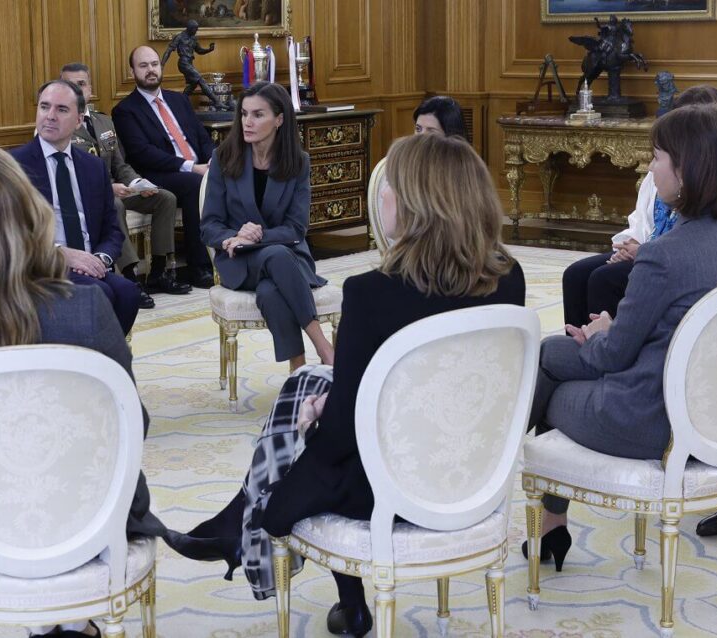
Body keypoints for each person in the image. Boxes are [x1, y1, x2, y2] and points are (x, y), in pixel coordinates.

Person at [171, 133, 525, 637]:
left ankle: (259, 535)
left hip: (384, 486)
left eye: (390, 187)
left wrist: (323, 413)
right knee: (312, 380)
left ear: (414, 203)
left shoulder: (371, 293)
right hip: (471, 472)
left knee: (306, 430)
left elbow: (342, 437)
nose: (380, 197)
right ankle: (241, 523)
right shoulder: (510, 278)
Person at [0, 146, 170, 638]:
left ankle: (53, 624)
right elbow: (135, 425)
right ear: (34, 222)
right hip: (94, 520)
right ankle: (73, 622)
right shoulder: (85, 310)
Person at [525, 104, 717, 569]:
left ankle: (528, 513)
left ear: (687, 169)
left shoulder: (663, 256)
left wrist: (603, 333)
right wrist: (612, 332)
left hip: (647, 422)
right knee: (552, 351)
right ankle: (548, 527)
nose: (651, 167)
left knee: (547, 364)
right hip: (716, 419)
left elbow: (612, 358)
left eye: (657, 156)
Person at [562, 85, 717, 329]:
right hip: (647, 249)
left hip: (667, 259)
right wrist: (629, 246)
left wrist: (642, 252)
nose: (652, 166)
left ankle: (594, 346)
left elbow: (689, 245)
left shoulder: (708, 180)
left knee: (603, 280)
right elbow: (641, 220)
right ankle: (581, 343)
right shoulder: (661, 176)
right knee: (576, 274)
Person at [200, 82, 333, 369]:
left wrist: (254, 237)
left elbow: (296, 228)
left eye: (258, 115)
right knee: (276, 255)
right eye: (244, 114)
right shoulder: (223, 158)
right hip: (239, 262)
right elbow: (209, 225)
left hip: (288, 258)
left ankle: (297, 371)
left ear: (279, 119)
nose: (248, 122)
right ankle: (324, 347)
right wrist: (233, 237)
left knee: (271, 292)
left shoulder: (298, 163)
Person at [11, 79, 140, 335]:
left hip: (89, 264)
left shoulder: (92, 166)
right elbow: (11, 234)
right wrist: (64, 255)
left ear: (79, 120)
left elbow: (112, 230)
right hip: (42, 266)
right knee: (97, 293)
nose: (50, 116)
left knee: (128, 292)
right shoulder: (15, 166)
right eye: (44, 107)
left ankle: (104, 361)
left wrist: (99, 260)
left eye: (61, 109)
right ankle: (88, 364)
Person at [60, 62, 191, 308]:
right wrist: (107, 189)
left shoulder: (104, 122)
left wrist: (139, 182)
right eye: (69, 85)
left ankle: (160, 271)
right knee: (116, 205)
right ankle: (131, 276)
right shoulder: (61, 125)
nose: (77, 90)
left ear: (90, 88)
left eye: (81, 84)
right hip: (85, 196)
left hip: (118, 188)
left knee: (165, 197)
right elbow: (65, 175)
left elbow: (120, 164)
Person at [112, 45, 216, 288]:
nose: (151, 70)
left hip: (199, 168)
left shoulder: (178, 100)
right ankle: (199, 266)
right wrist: (191, 167)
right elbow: (143, 153)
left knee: (232, 174)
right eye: (143, 66)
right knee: (195, 183)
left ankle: (240, 252)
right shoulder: (125, 110)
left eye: (154, 64)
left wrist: (212, 159)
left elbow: (202, 137)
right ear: (132, 71)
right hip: (159, 175)